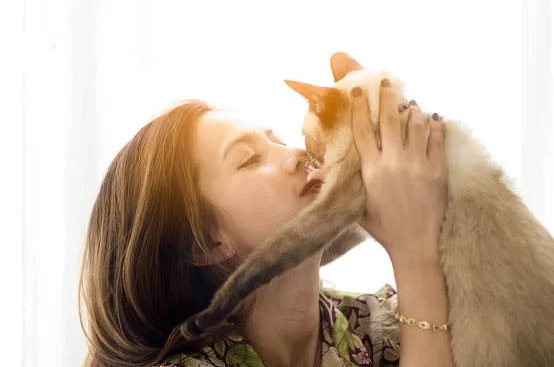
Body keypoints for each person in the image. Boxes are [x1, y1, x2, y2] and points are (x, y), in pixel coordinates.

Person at [79, 52, 453, 367]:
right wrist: (415, 255)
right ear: (206, 242)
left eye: (278, 141)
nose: (296, 154)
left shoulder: (379, 324)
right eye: (252, 159)